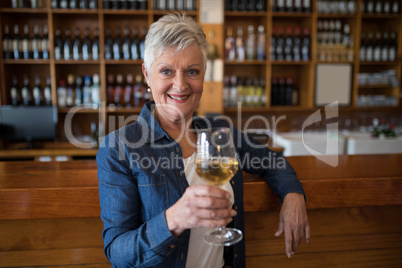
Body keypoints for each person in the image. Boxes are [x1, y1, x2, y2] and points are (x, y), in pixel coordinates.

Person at [97, 14, 310, 268]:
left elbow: (272, 161)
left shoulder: (220, 134)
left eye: (192, 71)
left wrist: (293, 195)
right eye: (166, 71)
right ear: (147, 74)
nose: (180, 84)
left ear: (203, 75)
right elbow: (117, 252)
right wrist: (174, 220)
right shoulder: (118, 147)